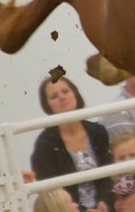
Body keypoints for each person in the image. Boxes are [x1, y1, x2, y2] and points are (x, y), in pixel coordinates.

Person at [30, 76, 112, 212]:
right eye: (54, 96)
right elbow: (52, 194)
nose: (62, 97)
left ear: (75, 94)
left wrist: (104, 202)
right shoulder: (45, 144)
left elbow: (109, 173)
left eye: (65, 91)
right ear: (48, 105)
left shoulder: (98, 132)